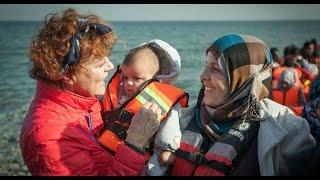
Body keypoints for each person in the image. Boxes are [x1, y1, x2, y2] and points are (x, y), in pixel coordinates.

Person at [19, 8, 163, 175]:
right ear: (66, 74)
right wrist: (135, 143)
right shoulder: (47, 137)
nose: (110, 66)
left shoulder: (84, 100)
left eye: (107, 58)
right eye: (99, 64)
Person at [168, 34, 316, 176]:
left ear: (245, 78)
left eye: (215, 68)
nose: (202, 76)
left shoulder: (289, 130)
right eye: (206, 65)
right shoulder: (178, 118)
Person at [98, 39, 189, 176]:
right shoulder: (119, 93)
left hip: (146, 155)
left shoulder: (162, 100)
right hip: (112, 152)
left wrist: (168, 149)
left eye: (137, 79)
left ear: (156, 79)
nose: (128, 83)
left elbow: (170, 127)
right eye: (125, 77)